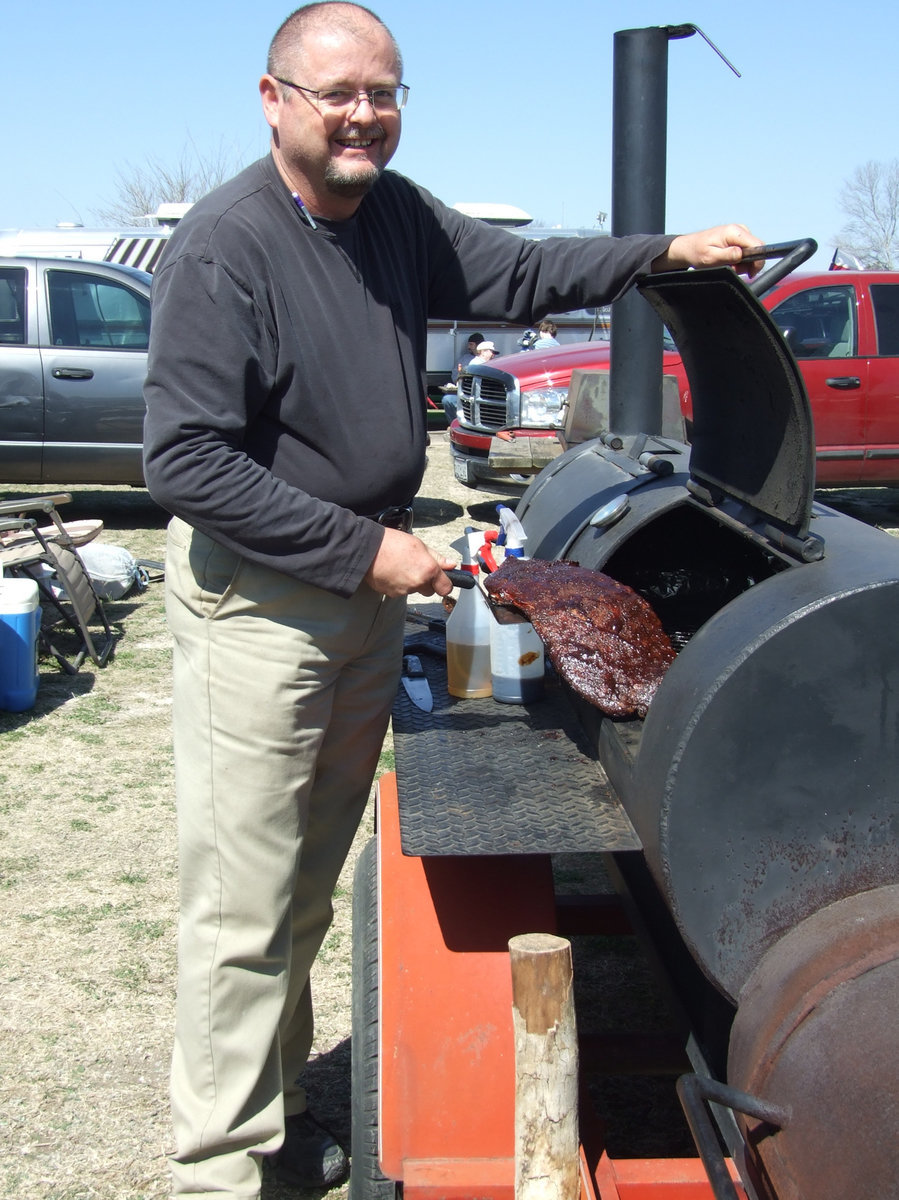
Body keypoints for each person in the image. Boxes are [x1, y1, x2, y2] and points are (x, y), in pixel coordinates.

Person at [142, 4, 762, 1196]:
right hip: (261, 612)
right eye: (338, 93)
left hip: (359, 591)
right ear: (274, 100)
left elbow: (523, 269)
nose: (365, 112)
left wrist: (660, 253)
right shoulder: (225, 248)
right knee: (241, 904)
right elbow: (186, 463)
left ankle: (266, 1123)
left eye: (384, 90)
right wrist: (375, 557)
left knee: (305, 881)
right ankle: (219, 1171)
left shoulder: (397, 215)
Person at [441, 331, 483, 423]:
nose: (468, 347)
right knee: (447, 399)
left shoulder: (488, 361)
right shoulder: (464, 358)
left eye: (471, 344)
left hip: (479, 394)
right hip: (464, 391)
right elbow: (455, 373)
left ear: (479, 345)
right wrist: (458, 380)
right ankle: (455, 424)